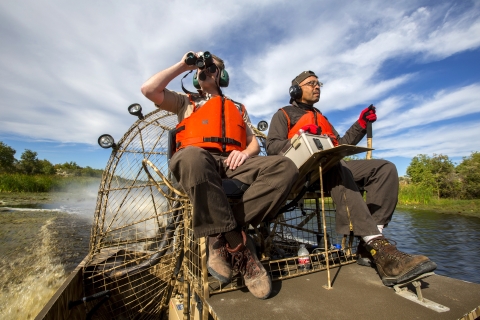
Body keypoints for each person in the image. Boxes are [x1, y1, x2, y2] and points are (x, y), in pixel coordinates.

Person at [141, 51, 298, 299]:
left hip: (233, 163)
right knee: (192, 156)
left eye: (211, 67)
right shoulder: (185, 101)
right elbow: (149, 90)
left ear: (221, 75)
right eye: (199, 69)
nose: (205, 71)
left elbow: (254, 144)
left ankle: (219, 234)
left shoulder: (238, 108)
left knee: (285, 166)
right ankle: (239, 245)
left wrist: (245, 154)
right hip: (198, 162)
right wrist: (184, 64)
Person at [266, 70, 436, 286]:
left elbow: (341, 142)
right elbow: (271, 146)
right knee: (337, 167)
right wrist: (299, 138)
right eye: (311, 83)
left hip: (333, 165)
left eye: (319, 84)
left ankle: (369, 244)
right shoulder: (283, 114)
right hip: (304, 173)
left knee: (385, 168)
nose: (317, 87)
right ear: (296, 89)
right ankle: (382, 251)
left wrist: (361, 125)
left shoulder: (322, 117)